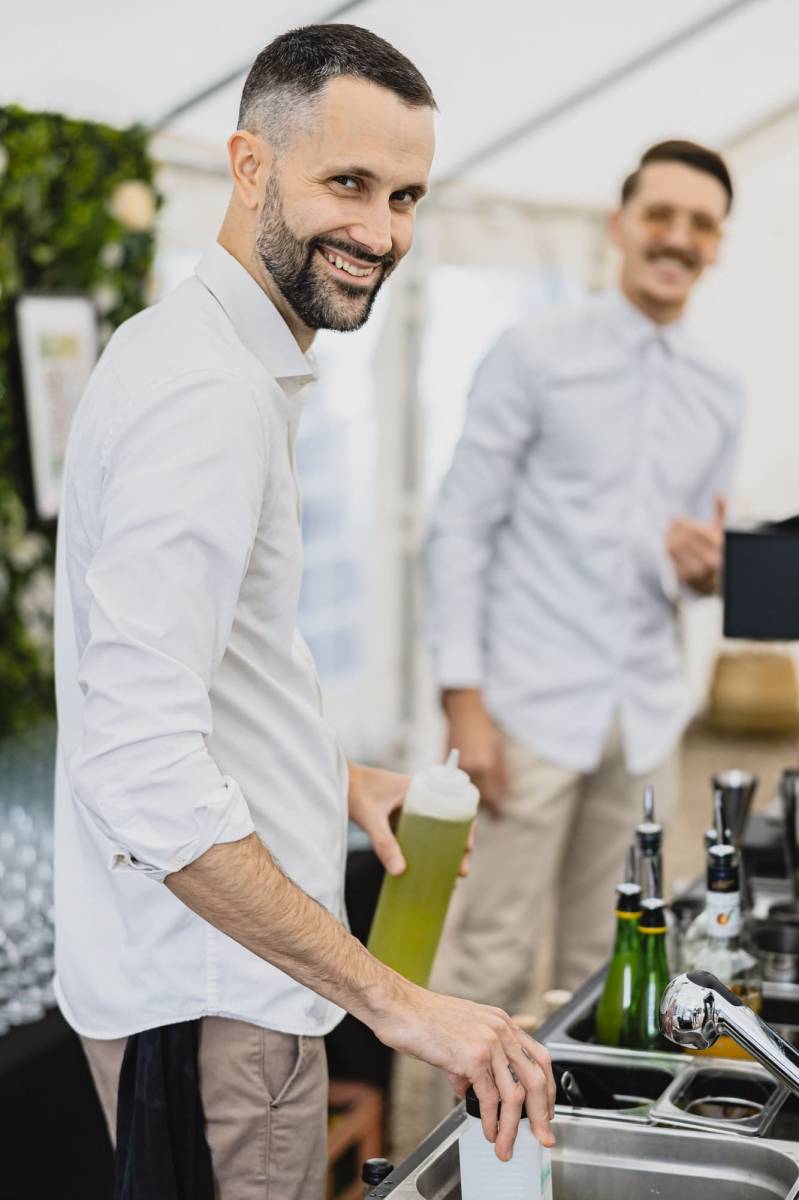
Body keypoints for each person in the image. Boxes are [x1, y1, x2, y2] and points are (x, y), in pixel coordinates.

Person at [53, 24, 555, 1200]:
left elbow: (192, 680)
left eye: (407, 196)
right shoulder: (207, 400)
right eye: (348, 183)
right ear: (247, 167)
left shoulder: (199, 356)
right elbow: (140, 766)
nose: (383, 234)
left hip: (206, 990)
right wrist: (400, 1006)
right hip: (215, 1003)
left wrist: (338, 780)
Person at [424, 140, 744, 1016]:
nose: (677, 238)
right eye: (660, 216)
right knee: (488, 954)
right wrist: (463, 701)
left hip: (643, 715)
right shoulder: (533, 351)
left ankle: (572, 1142)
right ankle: (454, 1150)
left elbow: (692, 568)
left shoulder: (721, 393)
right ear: (620, 225)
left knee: (609, 961)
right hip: (524, 706)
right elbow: (459, 526)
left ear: (717, 244)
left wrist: (709, 573)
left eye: (700, 225)